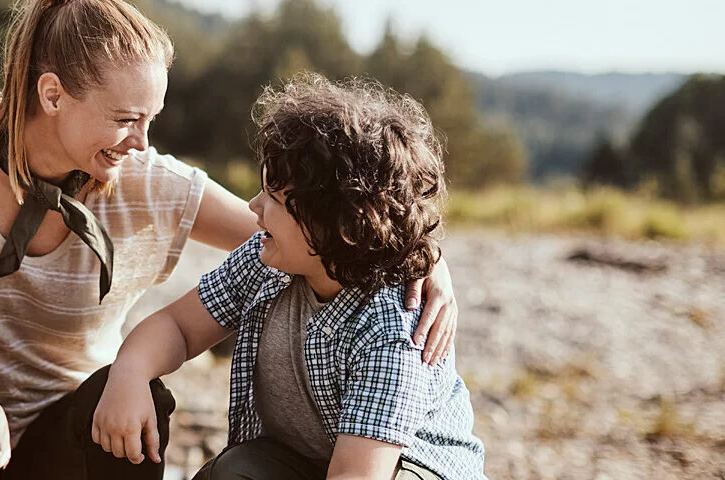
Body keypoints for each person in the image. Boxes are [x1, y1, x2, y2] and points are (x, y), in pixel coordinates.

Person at [0, 1, 460, 478]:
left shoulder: (150, 181)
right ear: (51, 94)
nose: (142, 142)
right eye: (125, 119)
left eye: (151, 120)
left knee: (145, 402)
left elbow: (319, 233)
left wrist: (425, 260)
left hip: (71, 443)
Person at [92, 73, 486, 480]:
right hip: (309, 462)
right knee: (233, 471)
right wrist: (131, 370)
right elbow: (179, 325)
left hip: (397, 469)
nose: (254, 206)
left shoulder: (393, 331)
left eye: (275, 198)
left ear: (337, 226)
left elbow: (357, 474)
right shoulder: (268, 262)